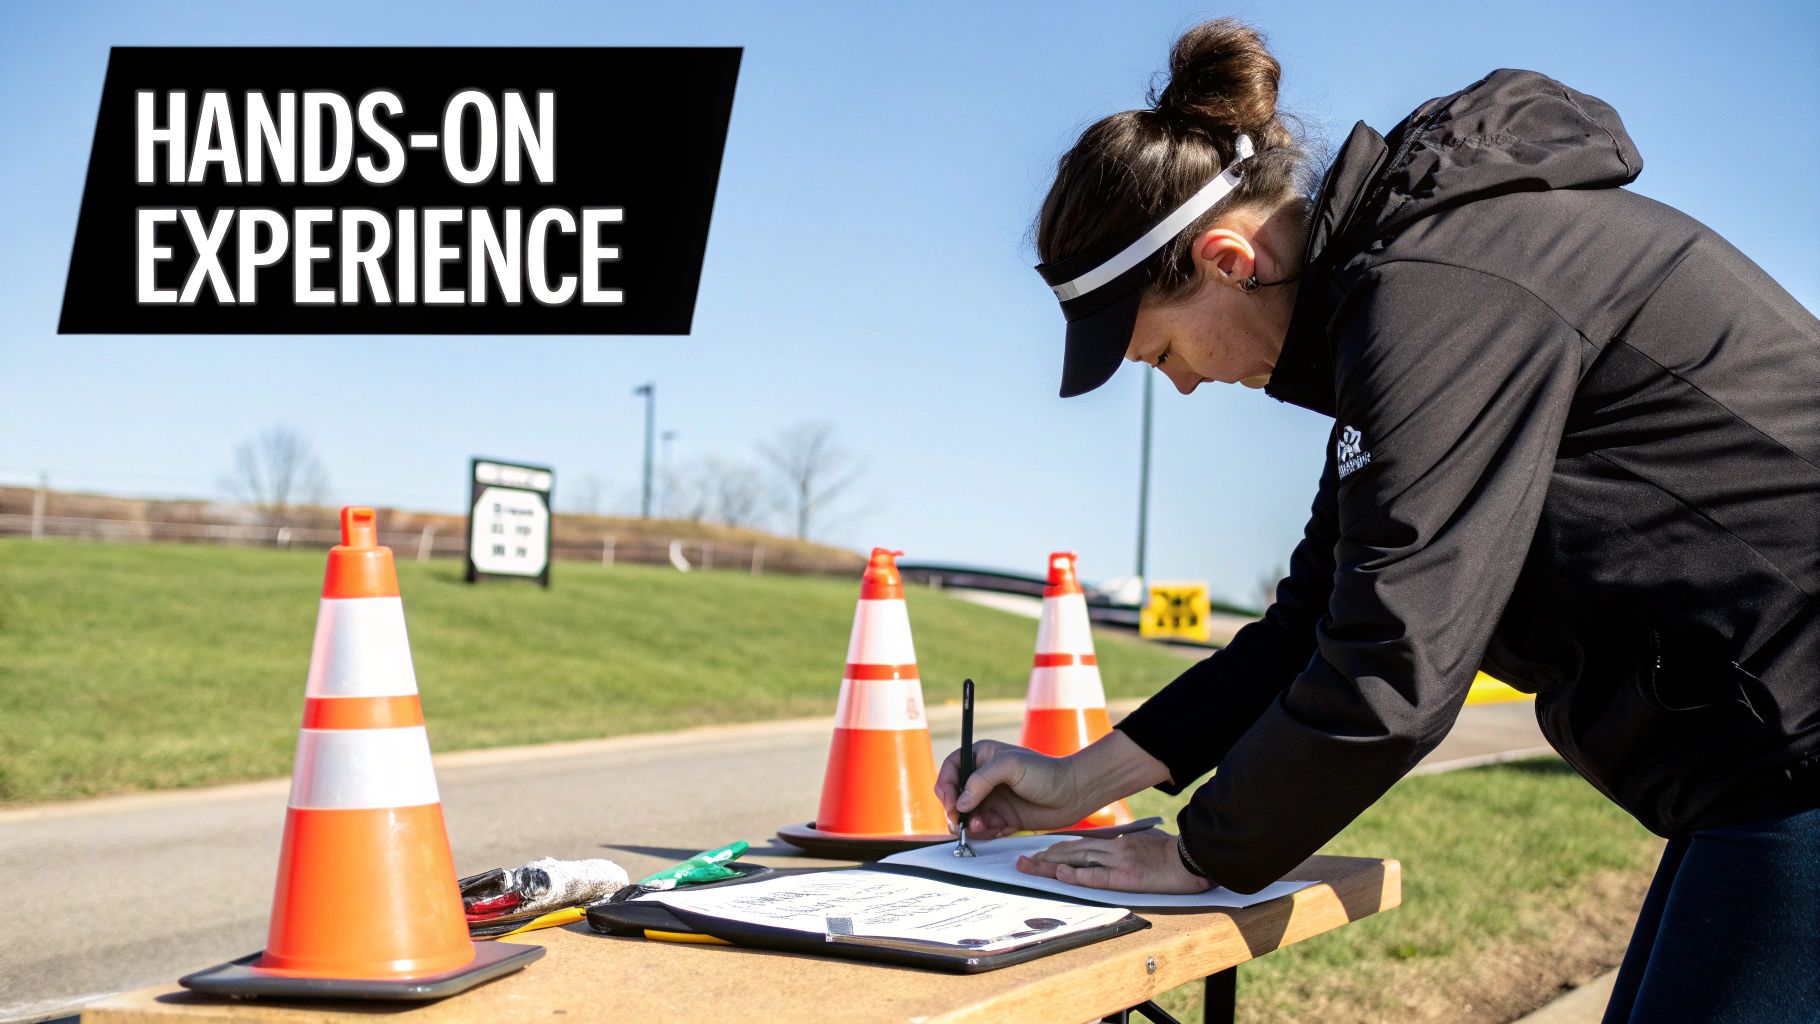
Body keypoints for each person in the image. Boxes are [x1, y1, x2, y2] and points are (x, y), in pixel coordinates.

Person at [935, 18, 1820, 1022]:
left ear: (1224, 259)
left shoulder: (1441, 295)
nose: (1180, 386)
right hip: (1757, 765)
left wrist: (1197, 853)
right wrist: (1073, 778)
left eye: (1160, 353)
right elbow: (1313, 619)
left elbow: (1392, 662)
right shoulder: (1400, 299)